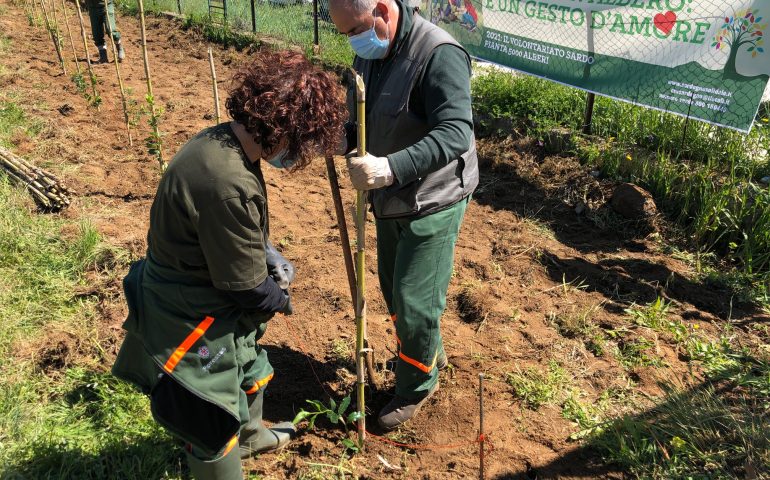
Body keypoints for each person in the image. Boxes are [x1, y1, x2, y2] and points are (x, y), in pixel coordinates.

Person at [111, 50, 346, 479]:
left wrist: (269, 250)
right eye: (300, 142)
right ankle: (221, 460)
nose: (298, 155)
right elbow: (245, 287)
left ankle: (252, 436)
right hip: (189, 308)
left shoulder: (226, 142)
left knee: (251, 366)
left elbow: (239, 232)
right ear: (283, 129)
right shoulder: (227, 181)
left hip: (207, 284)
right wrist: (279, 298)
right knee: (208, 418)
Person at [329, 0, 478, 430]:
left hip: (432, 197)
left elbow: (455, 132)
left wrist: (389, 167)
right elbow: (367, 111)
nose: (353, 41)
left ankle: (417, 385)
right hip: (390, 195)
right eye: (345, 34)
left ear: (382, 9)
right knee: (396, 289)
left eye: (355, 29)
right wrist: (345, 139)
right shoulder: (373, 50)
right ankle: (428, 351)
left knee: (414, 301)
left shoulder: (439, 54)